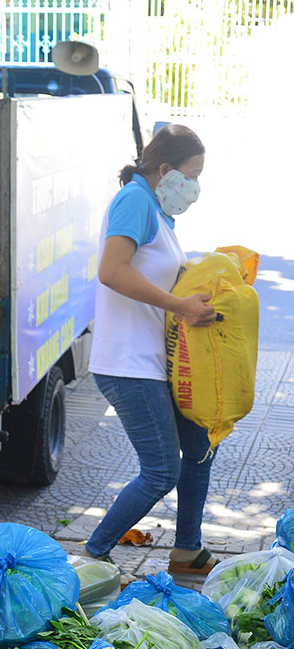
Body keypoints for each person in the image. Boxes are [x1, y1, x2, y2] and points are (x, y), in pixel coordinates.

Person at [84, 124, 219, 574]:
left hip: (155, 362)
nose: (197, 185)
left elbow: (154, 272)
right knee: (161, 470)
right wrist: (180, 305)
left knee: (199, 448)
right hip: (127, 363)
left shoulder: (158, 211)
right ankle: (92, 556)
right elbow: (112, 271)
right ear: (166, 169)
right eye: (193, 174)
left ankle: (187, 549)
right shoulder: (135, 200)